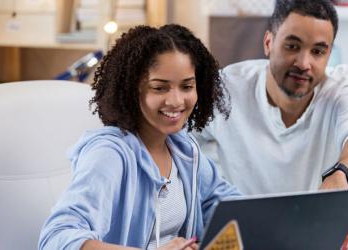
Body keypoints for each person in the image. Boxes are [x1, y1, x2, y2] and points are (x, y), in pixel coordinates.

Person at [38, 24, 239, 250]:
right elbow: (56, 238)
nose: (176, 101)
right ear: (133, 89)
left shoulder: (183, 148)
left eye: (187, 86)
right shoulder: (110, 153)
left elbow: (226, 204)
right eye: (160, 88)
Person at [194, 0, 348, 195]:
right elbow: (177, 142)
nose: (303, 63)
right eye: (292, 46)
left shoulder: (344, 89)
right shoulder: (226, 88)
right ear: (268, 43)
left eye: (317, 52)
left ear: (329, 55)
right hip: (239, 223)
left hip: (317, 222)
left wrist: (341, 175)